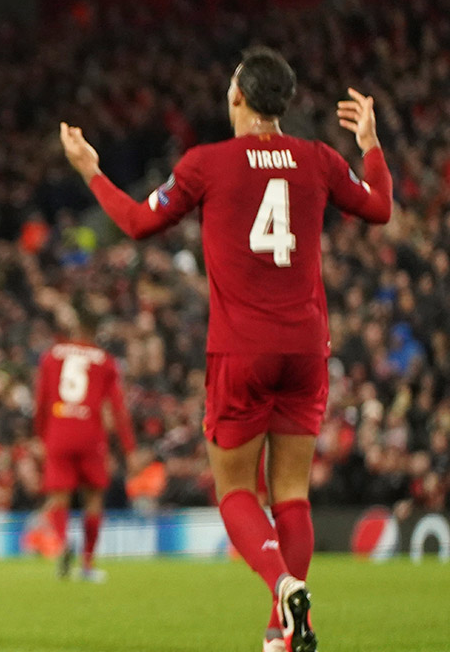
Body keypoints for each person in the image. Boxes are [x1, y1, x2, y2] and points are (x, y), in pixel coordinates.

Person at [59, 47, 391, 652]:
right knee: (292, 493)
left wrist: (90, 170)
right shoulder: (318, 159)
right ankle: (280, 631)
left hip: (241, 352)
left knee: (235, 491)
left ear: (237, 97)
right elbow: (379, 205)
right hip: (307, 349)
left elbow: (135, 222)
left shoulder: (206, 163)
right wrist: (369, 143)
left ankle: (282, 584)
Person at [33, 307, 134, 582]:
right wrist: (129, 447)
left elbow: (41, 400)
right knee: (93, 497)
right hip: (90, 434)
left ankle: (64, 542)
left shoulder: (52, 356)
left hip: (58, 432)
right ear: (96, 331)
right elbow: (117, 407)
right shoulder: (105, 360)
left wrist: (41, 435)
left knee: (58, 497)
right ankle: (87, 565)